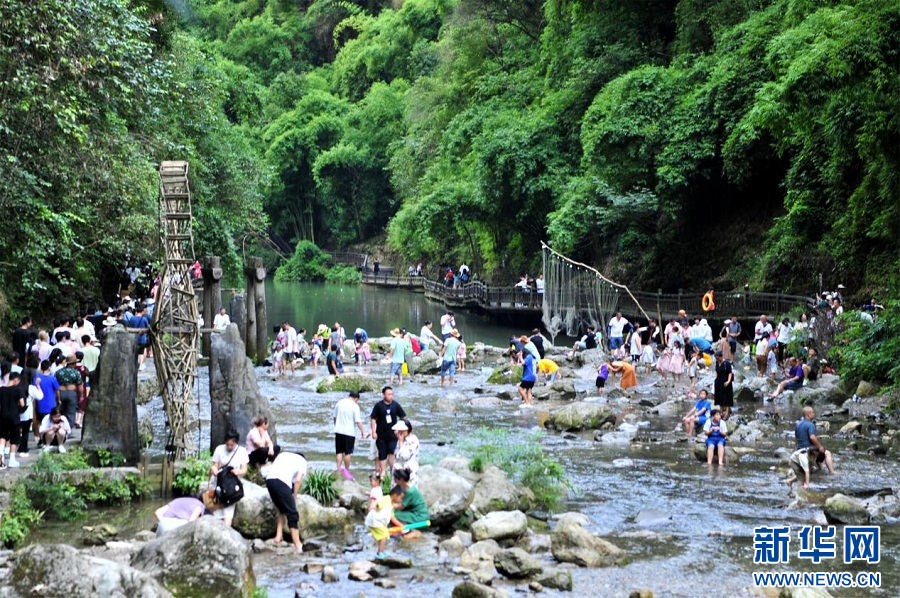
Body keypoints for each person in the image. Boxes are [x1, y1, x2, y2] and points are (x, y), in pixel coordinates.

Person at [263, 451, 307, 553]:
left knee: (282, 509)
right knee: (292, 514)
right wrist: (294, 496)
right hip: (281, 482)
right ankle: (298, 545)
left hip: (269, 481)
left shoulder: (283, 455)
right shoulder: (302, 461)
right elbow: (298, 480)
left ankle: (278, 537)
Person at [210, 430, 249, 527]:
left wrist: (238, 472)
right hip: (219, 482)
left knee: (228, 512)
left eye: (232, 445)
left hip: (231, 485)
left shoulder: (242, 451)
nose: (229, 447)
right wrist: (214, 470)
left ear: (236, 443)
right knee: (216, 511)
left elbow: (244, 470)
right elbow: (215, 465)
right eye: (228, 445)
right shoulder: (219, 449)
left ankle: (226, 531)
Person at [370, 387, 407, 477]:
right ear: (383, 395)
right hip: (381, 435)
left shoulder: (395, 405)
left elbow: (403, 417)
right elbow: (373, 419)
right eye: (389, 394)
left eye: (392, 394)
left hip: (393, 435)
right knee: (382, 453)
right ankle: (383, 472)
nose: (391, 396)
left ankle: (392, 470)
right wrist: (373, 432)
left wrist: (401, 429)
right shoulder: (378, 405)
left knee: (391, 452)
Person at [333, 391, 368, 478]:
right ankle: (347, 470)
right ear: (356, 398)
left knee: (339, 451)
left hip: (338, 430)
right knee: (348, 452)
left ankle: (338, 469)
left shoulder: (339, 403)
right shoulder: (355, 406)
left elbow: (334, 417)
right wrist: (363, 431)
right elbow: (358, 421)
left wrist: (336, 426)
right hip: (349, 432)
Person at [793, 406, 835, 475]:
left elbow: (796, 439)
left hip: (800, 450)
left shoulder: (798, 424)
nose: (813, 414)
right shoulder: (810, 424)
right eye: (812, 412)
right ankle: (832, 472)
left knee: (818, 453)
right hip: (808, 449)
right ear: (808, 414)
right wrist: (820, 446)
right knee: (827, 453)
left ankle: (821, 469)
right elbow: (812, 437)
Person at [390, 467, 429, 538]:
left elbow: (401, 506)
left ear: (401, 480)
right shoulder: (409, 488)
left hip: (420, 516)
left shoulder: (410, 491)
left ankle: (409, 530)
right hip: (416, 513)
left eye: (395, 479)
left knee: (395, 514)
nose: (394, 481)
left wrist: (390, 505)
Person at [366, 483, 399, 559]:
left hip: (376, 522)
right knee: (384, 535)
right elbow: (377, 501)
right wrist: (373, 505)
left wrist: (401, 526)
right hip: (374, 521)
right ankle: (380, 553)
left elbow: (392, 517)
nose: (400, 500)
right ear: (395, 495)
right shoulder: (386, 499)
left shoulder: (391, 504)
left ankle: (380, 551)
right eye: (400, 498)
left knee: (382, 537)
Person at [0, 372, 26, 468]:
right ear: (16, 380)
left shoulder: (1, 390)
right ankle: (12, 460)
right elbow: (22, 404)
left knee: (2, 436)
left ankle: (1, 458)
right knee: (14, 438)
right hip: (14, 416)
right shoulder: (18, 390)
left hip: (3, 416)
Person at [55, 354, 83, 428]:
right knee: (71, 412)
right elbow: (80, 386)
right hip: (71, 393)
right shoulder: (76, 372)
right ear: (73, 363)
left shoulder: (58, 372)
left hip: (61, 393)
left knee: (60, 411)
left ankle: (60, 427)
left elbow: (55, 384)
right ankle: (69, 429)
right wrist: (81, 396)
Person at [392, 419, 420, 486]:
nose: (397, 432)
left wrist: (401, 442)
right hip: (398, 472)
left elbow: (404, 456)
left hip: (409, 472)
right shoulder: (400, 440)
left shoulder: (413, 440)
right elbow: (396, 455)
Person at [713, 350, 734, 420]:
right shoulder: (717, 362)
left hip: (725, 381)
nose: (717, 359)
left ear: (721, 357)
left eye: (717, 358)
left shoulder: (727, 363)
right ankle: (721, 411)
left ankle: (727, 413)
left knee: (726, 397)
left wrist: (728, 381)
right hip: (718, 381)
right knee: (719, 397)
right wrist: (715, 379)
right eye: (716, 358)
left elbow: (730, 373)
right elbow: (716, 371)